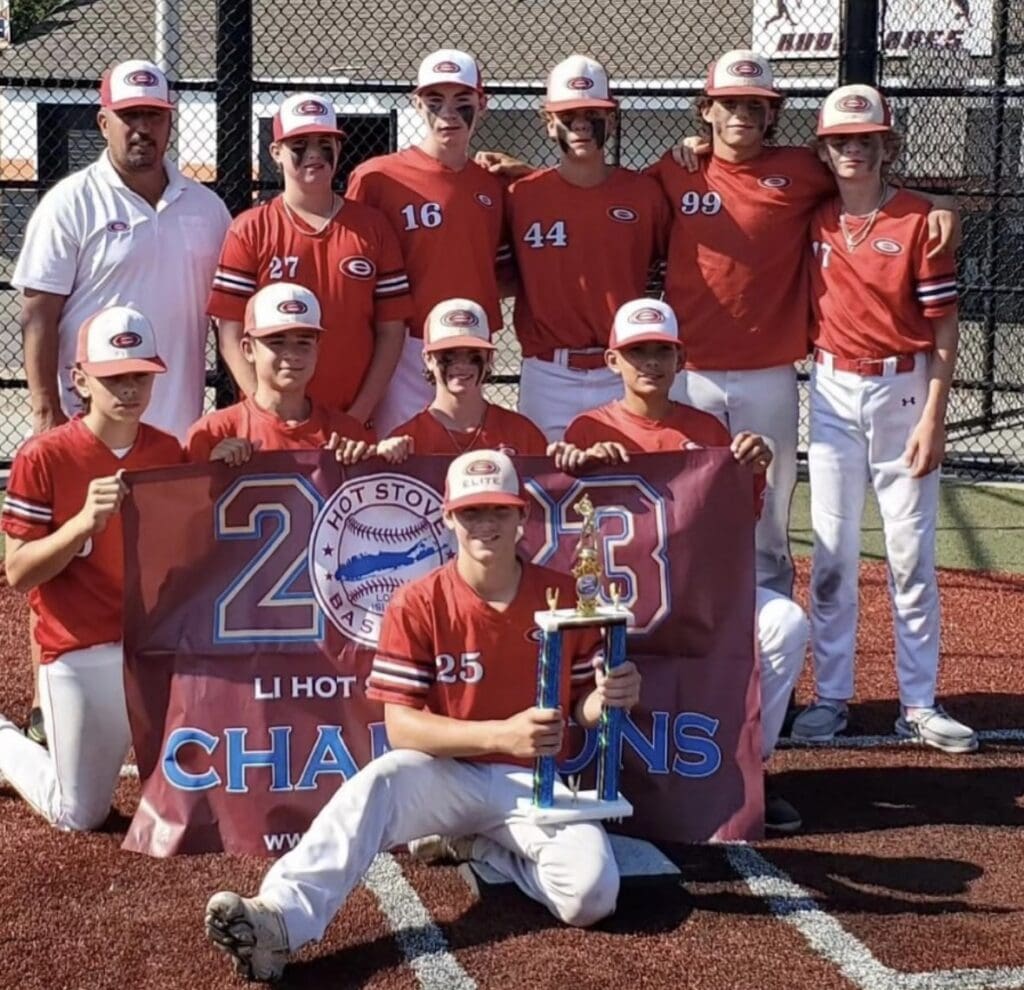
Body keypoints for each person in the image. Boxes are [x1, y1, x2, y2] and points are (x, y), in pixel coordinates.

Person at [204, 448, 642, 981]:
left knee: (592, 896)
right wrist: (501, 734)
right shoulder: (418, 601)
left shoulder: (565, 595)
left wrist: (609, 697)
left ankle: (476, 845)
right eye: (472, 512)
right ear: (448, 517)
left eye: (499, 510)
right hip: (446, 773)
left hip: (534, 782)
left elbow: (583, 707)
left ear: (522, 515)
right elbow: (402, 727)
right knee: (379, 782)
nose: (486, 524)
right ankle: (279, 918)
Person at [646, 49, 959, 600]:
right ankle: (698, 639)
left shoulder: (802, 169)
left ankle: (776, 643)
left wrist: (944, 204)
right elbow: (604, 191)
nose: (742, 114)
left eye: (755, 105)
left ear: (772, 113)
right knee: (688, 509)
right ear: (706, 110)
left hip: (769, 374)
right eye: (729, 104)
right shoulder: (676, 169)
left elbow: (873, 183)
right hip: (690, 373)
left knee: (769, 513)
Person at [11, 58, 230, 741]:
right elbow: (39, 314)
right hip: (88, 424)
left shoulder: (207, 209)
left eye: (154, 116)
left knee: (158, 570)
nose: (142, 128)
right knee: (67, 565)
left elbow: (226, 320)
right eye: (129, 115)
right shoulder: (70, 202)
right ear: (102, 120)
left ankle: (145, 699)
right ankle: (49, 704)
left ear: (170, 122)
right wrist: (45, 413)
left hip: (173, 422)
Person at [565, 298, 808, 832]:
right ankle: (577, 761)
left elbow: (735, 522)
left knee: (785, 623)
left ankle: (748, 766)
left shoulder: (708, 430)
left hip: (695, 598)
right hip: (618, 606)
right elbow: (565, 534)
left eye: (661, 351)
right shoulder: (586, 429)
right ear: (613, 360)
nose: (650, 363)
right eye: (637, 352)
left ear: (680, 359)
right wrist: (576, 469)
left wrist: (752, 471)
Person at [790, 86, 976, 753]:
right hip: (833, 388)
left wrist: (935, 415)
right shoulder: (813, 216)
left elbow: (944, 324)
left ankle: (918, 703)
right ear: (824, 150)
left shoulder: (920, 220)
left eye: (866, 140)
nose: (853, 150)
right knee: (832, 554)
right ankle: (830, 696)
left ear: (886, 145)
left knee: (909, 554)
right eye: (841, 141)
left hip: (904, 388)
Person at [0, 306, 184, 830]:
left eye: (139, 376)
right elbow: (19, 572)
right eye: (113, 377)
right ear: (81, 380)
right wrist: (82, 524)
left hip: (151, 650)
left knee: (194, 802)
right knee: (78, 814)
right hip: (78, 650)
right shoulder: (43, 456)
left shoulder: (168, 451)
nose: (128, 388)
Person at [207, 93, 411, 429]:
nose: (314, 154)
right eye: (300, 144)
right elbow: (229, 331)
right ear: (276, 152)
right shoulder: (251, 228)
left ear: (339, 148)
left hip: (351, 421)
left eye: (324, 143)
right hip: (273, 424)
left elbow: (391, 332)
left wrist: (357, 416)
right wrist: (266, 412)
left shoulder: (373, 228)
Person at [345, 49, 513, 436]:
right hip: (403, 343)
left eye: (462, 100)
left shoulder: (493, 185)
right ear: (417, 103)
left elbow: (503, 273)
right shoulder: (377, 178)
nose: (448, 113)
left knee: (465, 450)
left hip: (470, 344)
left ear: (483, 103)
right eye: (435, 100)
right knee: (400, 452)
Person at [506, 54, 670, 442]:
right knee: (545, 476)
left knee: (628, 477)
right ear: (550, 123)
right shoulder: (519, 196)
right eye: (568, 115)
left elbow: (667, 273)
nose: (580, 124)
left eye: (592, 114)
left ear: (611, 120)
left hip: (623, 367)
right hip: (547, 371)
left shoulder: (645, 194)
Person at [185, 282, 393, 467]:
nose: (292, 354)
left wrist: (360, 465)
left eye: (303, 342)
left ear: (317, 349)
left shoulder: (347, 433)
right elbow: (186, 498)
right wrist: (213, 472)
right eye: (276, 342)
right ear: (248, 349)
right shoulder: (214, 433)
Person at [386, 297, 549, 457]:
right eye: (449, 354)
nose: (461, 364)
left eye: (473, 354)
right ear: (428, 359)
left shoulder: (522, 433)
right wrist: (385, 457)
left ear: (489, 358)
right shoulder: (407, 442)